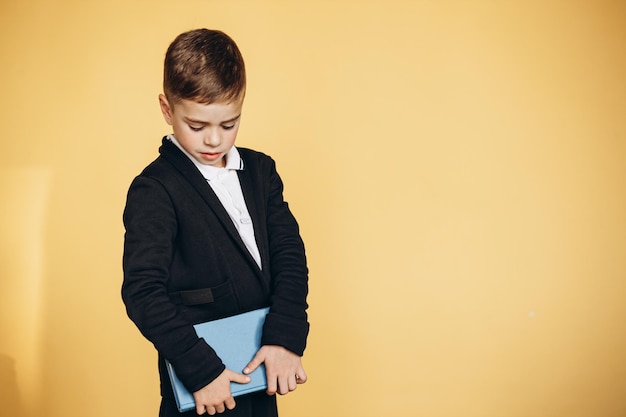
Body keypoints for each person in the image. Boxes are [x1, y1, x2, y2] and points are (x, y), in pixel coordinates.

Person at [122, 28, 309, 417]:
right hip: (203, 387)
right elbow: (142, 291)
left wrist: (286, 336)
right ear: (166, 109)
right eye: (196, 126)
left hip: (263, 370)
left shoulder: (261, 171)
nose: (213, 140)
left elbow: (289, 254)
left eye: (228, 125)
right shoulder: (154, 189)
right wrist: (200, 370)